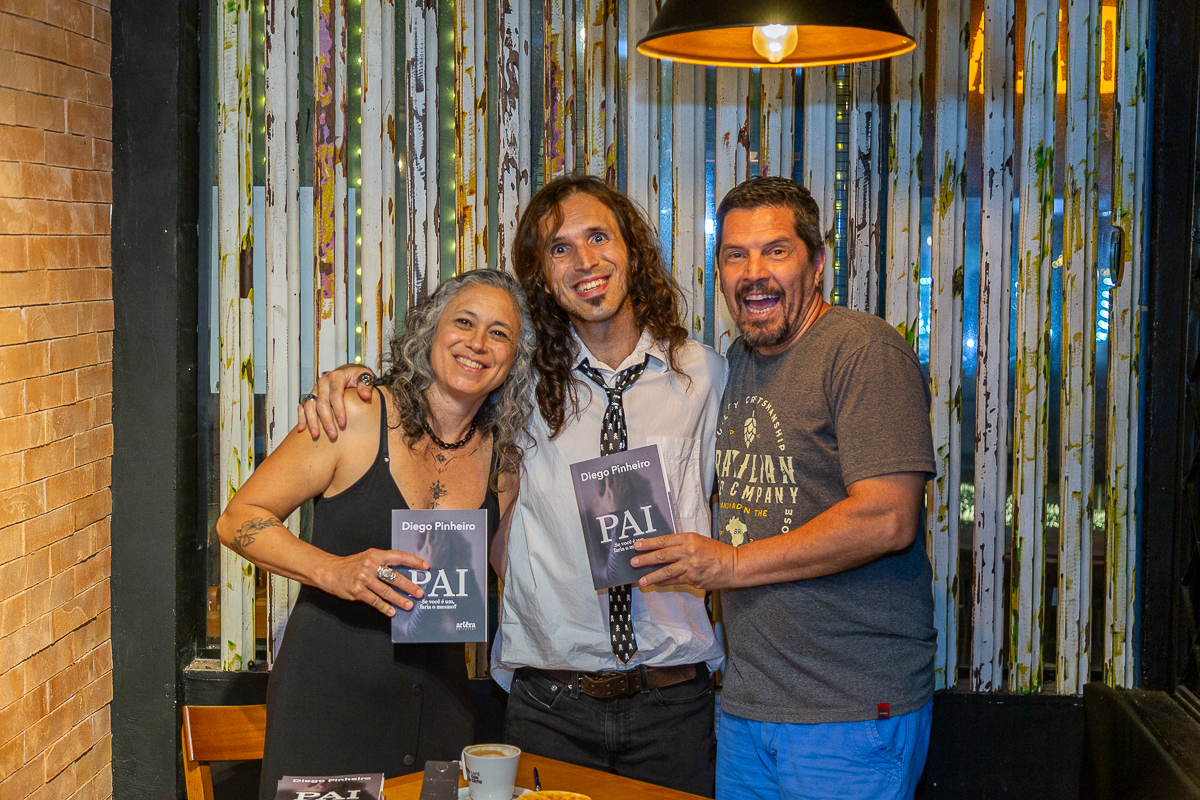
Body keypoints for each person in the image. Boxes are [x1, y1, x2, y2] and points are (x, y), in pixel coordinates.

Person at [303, 176, 725, 796]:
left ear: (632, 250)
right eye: (559, 248)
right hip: (549, 705)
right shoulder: (515, 388)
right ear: (543, 278)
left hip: (675, 702)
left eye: (598, 237)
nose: (584, 261)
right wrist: (356, 379)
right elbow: (433, 390)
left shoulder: (706, 375)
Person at [633, 176, 937, 800]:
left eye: (775, 251)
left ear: (818, 263)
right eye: (735, 255)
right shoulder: (738, 363)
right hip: (749, 707)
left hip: (847, 714)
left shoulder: (862, 350)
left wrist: (730, 564)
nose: (754, 273)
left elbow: (887, 518)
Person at [216, 269, 535, 799]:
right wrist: (332, 569)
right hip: (327, 708)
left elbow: (516, 574)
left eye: (499, 333)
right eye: (464, 322)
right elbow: (237, 519)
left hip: (439, 715)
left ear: (515, 359)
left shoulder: (503, 463)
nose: (478, 343)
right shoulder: (355, 415)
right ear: (431, 329)